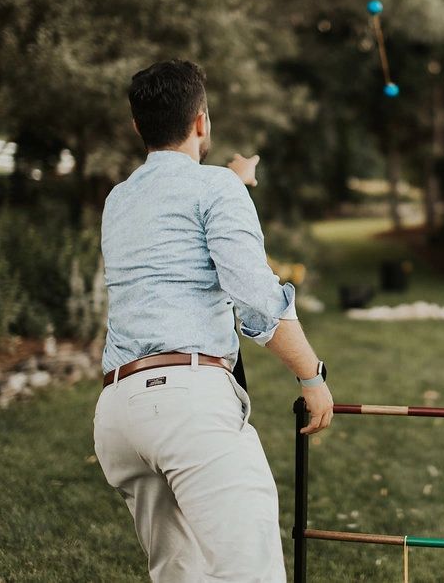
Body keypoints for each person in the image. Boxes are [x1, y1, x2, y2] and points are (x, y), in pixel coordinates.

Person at [94, 60, 334, 582]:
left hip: (118, 414)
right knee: (250, 572)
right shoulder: (215, 191)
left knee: (179, 575)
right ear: (202, 121)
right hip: (187, 410)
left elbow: (176, 215)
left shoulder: (118, 200)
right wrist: (312, 376)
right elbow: (257, 301)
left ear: (139, 126)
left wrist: (231, 181)